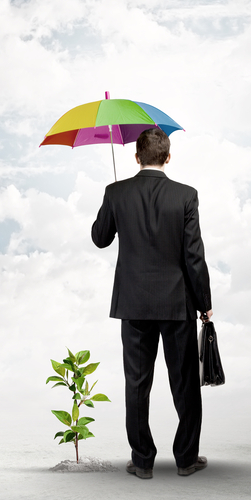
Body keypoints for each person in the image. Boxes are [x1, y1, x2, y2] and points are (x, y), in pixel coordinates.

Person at [91, 127, 212, 480]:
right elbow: (194, 256)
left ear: (136, 156)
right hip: (177, 304)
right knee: (185, 384)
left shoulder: (117, 192)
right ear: (168, 157)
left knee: (137, 384)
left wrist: (113, 203)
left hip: (134, 304)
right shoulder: (186, 195)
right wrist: (203, 302)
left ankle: (142, 461)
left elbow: (100, 238)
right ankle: (186, 458)